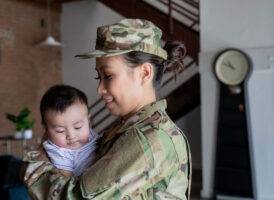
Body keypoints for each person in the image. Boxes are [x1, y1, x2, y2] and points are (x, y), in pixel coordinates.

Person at [22, 18, 191, 200]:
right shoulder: (127, 127)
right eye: (99, 77)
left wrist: (34, 167)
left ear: (144, 73)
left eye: (108, 76)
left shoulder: (148, 139)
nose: (100, 89)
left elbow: (75, 197)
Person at [40, 84, 99, 177]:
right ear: (46, 130)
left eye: (78, 127)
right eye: (60, 131)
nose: (71, 136)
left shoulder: (91, 135)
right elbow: (66, 181)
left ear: (88, 120)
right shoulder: (58, 151)